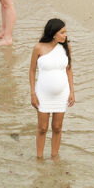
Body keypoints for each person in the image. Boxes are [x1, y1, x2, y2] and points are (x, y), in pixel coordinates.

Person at [30, 18, 73, 159]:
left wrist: (72, 92)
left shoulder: (66, 48)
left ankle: (55, 157)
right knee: (42, 128)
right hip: (42, 93)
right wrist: (32, 93)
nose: (65, 35)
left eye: (65, 32)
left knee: (57, 127)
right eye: (62, 32)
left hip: (62, 93)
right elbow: (32, 71)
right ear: (54, 33)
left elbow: (69, 70)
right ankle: (39, 158)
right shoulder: (38, 48)